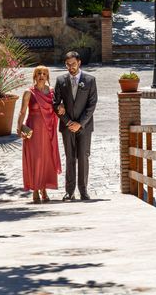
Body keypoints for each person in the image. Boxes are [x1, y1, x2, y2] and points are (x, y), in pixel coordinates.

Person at [53, 51, 98, 201]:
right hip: (67, 126)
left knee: (83, 157)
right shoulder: (60, 80)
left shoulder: (90, 80)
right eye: (67, 64)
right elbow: (56, 103)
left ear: (79, 63)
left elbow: (92, 104)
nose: (70, 67)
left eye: (73, 64)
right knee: (70, 158)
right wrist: (67, 122)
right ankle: (69, 191)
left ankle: (83, 191)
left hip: (84, 127)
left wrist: (80, 123)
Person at [17, 65, 61, 203]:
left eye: (44, 73)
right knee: (35, 159)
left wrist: (62, 108)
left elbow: (58, 108)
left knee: (47, 159)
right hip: (33, 131)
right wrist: (19, 127)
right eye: (39, 73)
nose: (41, 75)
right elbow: (22, 112)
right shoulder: (29, 92)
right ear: (34, 76)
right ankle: (35, 189)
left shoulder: (53, 93)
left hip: (49, 131)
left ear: (47, 76)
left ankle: (44, 189)